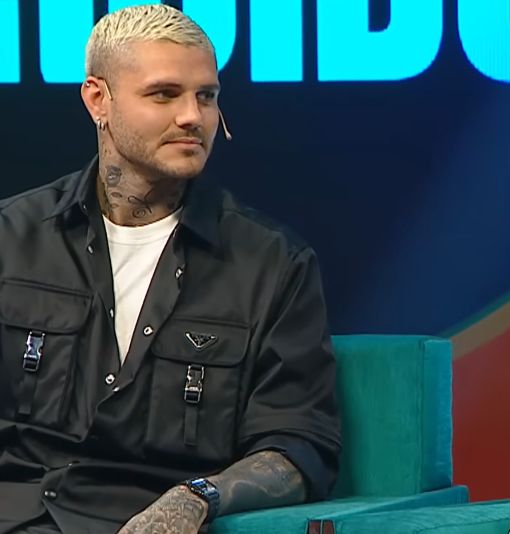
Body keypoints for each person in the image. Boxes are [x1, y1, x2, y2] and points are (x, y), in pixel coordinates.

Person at [0, 5, 340, 533]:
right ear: (98, 100)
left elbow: (299, 449)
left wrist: (197, 498)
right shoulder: (11, 238)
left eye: (206, 96)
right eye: (164, 94)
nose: (192, 117)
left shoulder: (272, 265)